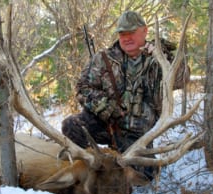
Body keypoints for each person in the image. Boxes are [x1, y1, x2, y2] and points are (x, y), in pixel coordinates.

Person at [61, 11, 189, 180]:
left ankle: (130, 162)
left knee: (143, 178)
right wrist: (106, 107)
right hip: (106, 124)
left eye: (131, 32)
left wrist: (162, 58)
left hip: (137, 136)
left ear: (144, 31)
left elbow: (182, 79)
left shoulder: (159, 58)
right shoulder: (103, 58)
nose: (126, 38)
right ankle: (86, 171)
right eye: (122, 33)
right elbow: (82, 87)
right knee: (72, 125)